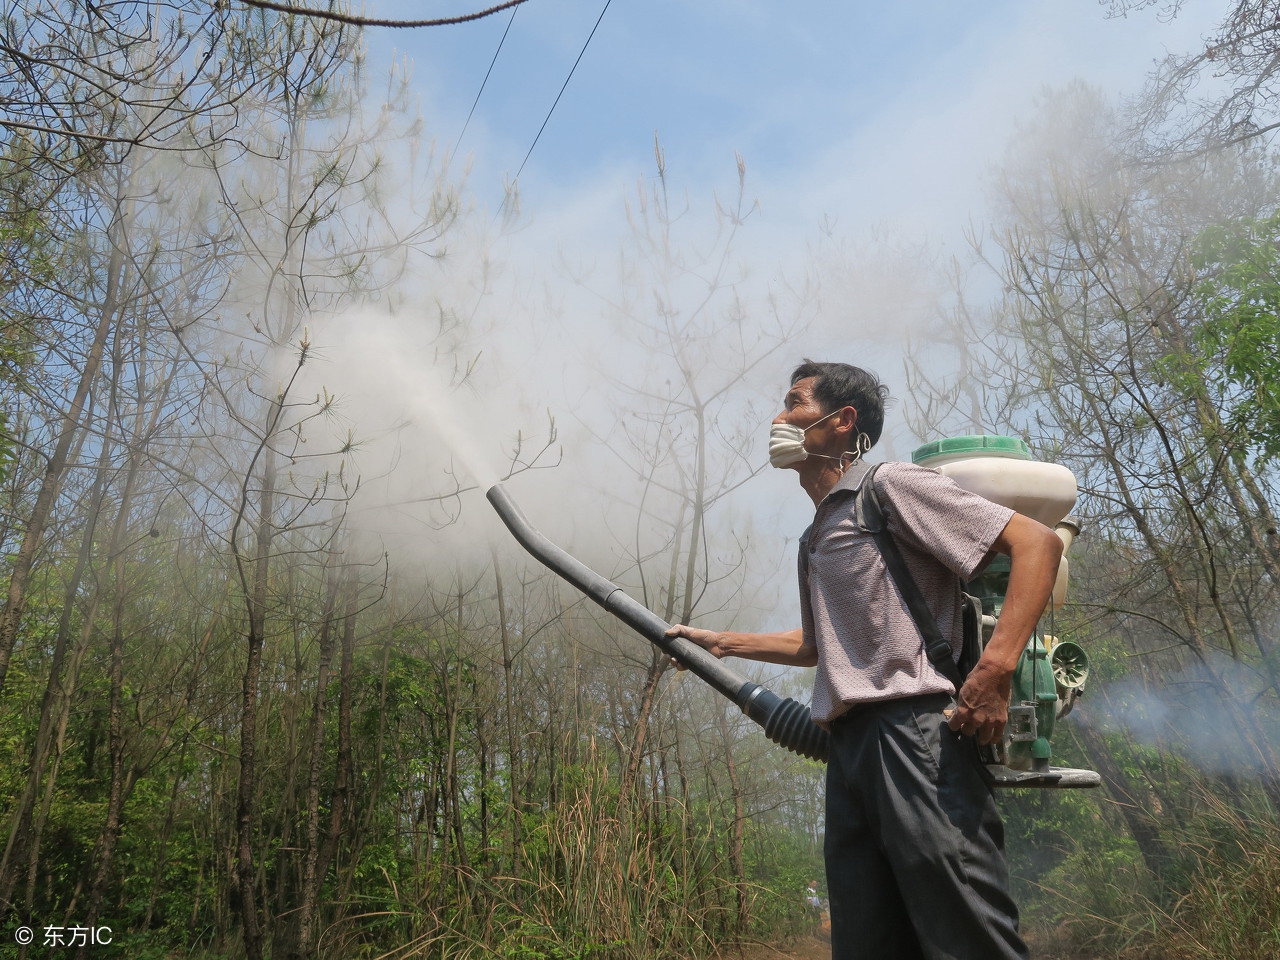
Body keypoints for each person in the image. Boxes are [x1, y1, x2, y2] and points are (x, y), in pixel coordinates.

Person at [666, 360, 1063, 960]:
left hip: (916, 733)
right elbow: (817, 646)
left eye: (795, 403)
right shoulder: (816, 535)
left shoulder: (889, 487)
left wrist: (996, 668)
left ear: (842, 420)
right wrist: (719, 642)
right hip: (850, 749)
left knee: (966, 934)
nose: (778, 418)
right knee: (867, 941)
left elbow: (1037, 543)